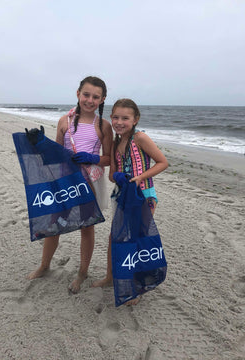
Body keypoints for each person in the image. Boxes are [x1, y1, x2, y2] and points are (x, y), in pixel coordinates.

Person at [27, 76, 113, 293]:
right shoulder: (64, 121)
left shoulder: (103, 125)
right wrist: (39, 143)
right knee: (54, 225)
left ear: (102, 100)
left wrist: (92, 158)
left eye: (95, 97)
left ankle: (82, 273)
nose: (90, 100)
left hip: (87, 183)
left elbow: (108, 158)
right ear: (78, 94)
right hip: (64, 181)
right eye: (86, 95)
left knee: (87, 227)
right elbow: (56, 153)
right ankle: (44, 266)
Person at [92, 98, 168, 305]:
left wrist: (141, 176)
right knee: (114, 238)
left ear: (135, 120)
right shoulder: (116, 142)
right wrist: (116, 177)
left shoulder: (140, 138)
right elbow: (111, 175)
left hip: (143, 196)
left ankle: (138, 286)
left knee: (136, 240)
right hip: (122, 195)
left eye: (125, 118)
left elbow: (163, 162)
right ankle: (110, 277)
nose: (119, 122)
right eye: (115, 117)